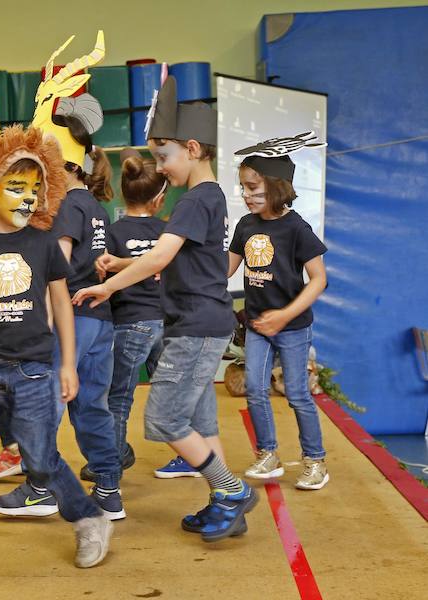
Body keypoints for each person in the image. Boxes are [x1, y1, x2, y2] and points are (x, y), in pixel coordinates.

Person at [73, 75, 257, 542]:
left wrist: (108, 286)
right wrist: (125, 261)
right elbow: (174, 257)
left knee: (163, 420)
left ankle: (231, 491)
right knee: (195, 420)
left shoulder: (196, 198)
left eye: (164, 156)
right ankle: (223, 501)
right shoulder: (204, 199)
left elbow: (160, 256)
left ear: (192, 148)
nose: (160, 167)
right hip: (200, 320)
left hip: (196, 324)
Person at [0, 126, 111, 583]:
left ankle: (90, 518)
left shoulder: (44, 244)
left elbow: (60, 306)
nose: (28, 198)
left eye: (36, 188)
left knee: (40, 457)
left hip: (34, 370)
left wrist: (67, 363)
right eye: (16, 187)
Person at [229, 133, 329, 490]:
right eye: (242, 186)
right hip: (257, 323)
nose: (246, 194)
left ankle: (315, 461)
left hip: (291, 326)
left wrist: (285, 315)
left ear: (276, 185)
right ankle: (268, 453)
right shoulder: (245, 225)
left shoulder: (296, 228)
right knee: (255, 388)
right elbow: (225, 269)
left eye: (253, 186)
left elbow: (318, 280)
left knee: (298, 394)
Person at [92, 149, 167, 479]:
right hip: (165, 322)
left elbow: (101, 271)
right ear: (158, 201)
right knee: (172, 394)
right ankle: (196, 458)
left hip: (130, 324)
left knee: (119, 400)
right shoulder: (168, 233)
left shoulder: (114, 232)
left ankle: (113, 465)